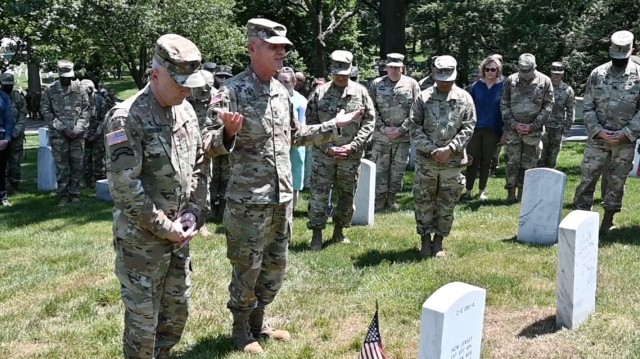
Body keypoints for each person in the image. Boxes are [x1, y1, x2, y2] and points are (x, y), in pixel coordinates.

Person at [202, 18, 363, 354]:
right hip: (249, 201)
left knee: (275, 266)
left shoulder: (280, 91)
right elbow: (205, 143)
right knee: (247, 266)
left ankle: (260, 321)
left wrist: (335, 124)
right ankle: (241, 329)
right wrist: (228, 133)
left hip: (282, 197)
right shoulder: (230, 91)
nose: (281, 52)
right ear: (252, 48)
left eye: (283, 47)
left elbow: (294, 136)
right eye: (273, 46)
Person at [104, 34, 231, 359]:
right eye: (180, 84)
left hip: (179, 241)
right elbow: (126, 189)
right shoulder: (126, 117)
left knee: (175, 320)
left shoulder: (186, 112)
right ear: (155, 75)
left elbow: (200, 163)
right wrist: (167, 228)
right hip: (141, 247)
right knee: (143, 328)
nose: (188, 91)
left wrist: (193, 212)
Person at [306, 50, 375, 250]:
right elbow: (310, 125)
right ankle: (316, 234)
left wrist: (353, 146)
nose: (339, 77)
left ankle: (339, 230)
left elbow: (369, 122)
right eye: (336, 73)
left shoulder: (361, 92)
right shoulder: (319, 93)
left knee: (346, 195)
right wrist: (327, 148)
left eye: (343, 73)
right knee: (319, 194)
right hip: (324, 155)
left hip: (350, 157)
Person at [573, 30, 640, 232]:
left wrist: (626, 132)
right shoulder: (597, 74)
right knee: (587, 178)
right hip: (597, 139)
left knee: (616, 182)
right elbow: (587, 106)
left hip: (624, 141)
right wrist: (598, 131)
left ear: (632, 50)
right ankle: (581, 220)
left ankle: (608, 220)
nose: (618, 61)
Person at [410, 55, 476, 257]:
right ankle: (425, 240)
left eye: (448, 78)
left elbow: (469, 126)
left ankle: (438, 241)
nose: (444, 82)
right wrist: (432, 149)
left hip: (452, 161)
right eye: (440, 78)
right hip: (426, 160)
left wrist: (450, 148)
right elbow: (414, 127)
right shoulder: (423, 98)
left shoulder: (465, 98)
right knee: (424, 199)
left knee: (447, 201)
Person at [368, 53, 420, 211]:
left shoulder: (411, 84)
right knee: (380, 170)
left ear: (402, 68)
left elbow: (416, 110)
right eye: (391, 67)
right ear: (386, 67)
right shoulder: (377, 84)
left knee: (398, 170)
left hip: (402, 137)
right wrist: (384, 128)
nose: (394, 70)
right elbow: (371, 109)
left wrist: (401, 129)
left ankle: (392, 198)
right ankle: (379, 199)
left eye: (397, 68)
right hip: (381, 137)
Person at [500, 53, 553, 202]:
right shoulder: (511, 80)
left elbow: (548, 105)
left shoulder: (544, 81)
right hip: (513, 130)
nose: (525, 75)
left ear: (534, 67)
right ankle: (510, 194)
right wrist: (514, 124)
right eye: (522, 71)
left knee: (529, 163)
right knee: (511, 161)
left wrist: (533, 125)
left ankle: (523, 194)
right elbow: (504, 103)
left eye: (527, 71)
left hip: (533, 131)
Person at [41, 60, 90, 206]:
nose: (66, 79)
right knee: (62, 166)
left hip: (77, 136)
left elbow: (86, 111)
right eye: (64, 77)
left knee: (77, 165)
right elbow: (46, 111)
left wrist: (77, 129)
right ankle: (63, 195)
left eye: (69, 76)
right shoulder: (50, 90)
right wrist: (63, 128)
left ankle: (75, 194)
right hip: (59, 136)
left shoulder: (80, 89)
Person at [464, 55, 505, 201]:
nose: (490, 72)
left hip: (494, 129)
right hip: (475, 128)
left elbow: (505, 110)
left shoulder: (504, 87)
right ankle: (468, 190)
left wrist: (504, 132)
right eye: (487, 69)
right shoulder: (475, 86)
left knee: (487, 161)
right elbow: (467, 109)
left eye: (493, 69)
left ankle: (482, 190)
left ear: (498, 70)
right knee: (472, 159)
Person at [187, 69, 215, 236]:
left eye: (208, 88)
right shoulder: (185, 96)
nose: (205, 92)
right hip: (185, 145)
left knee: (203, 181)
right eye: (201, 88)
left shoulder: (216, 97)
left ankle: (201, 221)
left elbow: (217, 122)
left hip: (205, 147)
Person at [277, 66, 308, 208]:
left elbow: (303, 124)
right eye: (280, 82)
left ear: (294, 82)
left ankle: (293, 206)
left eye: (286, 82)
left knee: (295, 173)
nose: (283, 85)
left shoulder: (301, 101)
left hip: (295, 144)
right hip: (278, 143)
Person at [538, 62, 575, 168]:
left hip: (558, 127)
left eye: (558, 74)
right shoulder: (543, 87)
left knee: (553, 156)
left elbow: (570, 109)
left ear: (562, 74)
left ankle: (551, 180)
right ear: (551, 73)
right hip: (543, 126)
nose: (556, 76)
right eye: (554, 74)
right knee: (540, 154)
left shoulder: (567, 90)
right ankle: (539, 179)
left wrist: (567, 126)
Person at [209, 65, 232, 219]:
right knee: (213, 174)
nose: (223, 79)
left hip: (231, 140)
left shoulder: (235, 92)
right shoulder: (214, 95)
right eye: (220, 76)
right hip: (214, 139)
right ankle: (211, 207)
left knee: (227, 175)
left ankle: (223, 208)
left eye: (226, 77)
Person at [1, 73, 27, 194]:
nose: (8, 87)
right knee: (2, 163)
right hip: (2, 135)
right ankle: (3, 187)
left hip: (16, 135)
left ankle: (15, 185)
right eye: (6, 85)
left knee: (15, 161)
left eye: (10, 85)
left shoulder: (17, 97)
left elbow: (23, 114)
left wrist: (16, 130)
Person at [81, 79, 109, 187]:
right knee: (85, 159)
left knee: (99, 160)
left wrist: (96, 135)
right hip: (84, 134)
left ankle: (100, 182)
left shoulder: (100, 100)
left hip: (98, 134)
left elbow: (104, 119)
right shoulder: (79, 100)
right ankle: (87, 181)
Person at [0, 78, 14, 207]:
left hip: (1, 136)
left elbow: (9, 119)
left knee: (2, 170)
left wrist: (6, 138)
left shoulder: (3, 97)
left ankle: (3, 197)